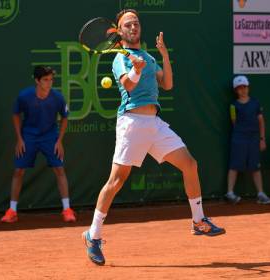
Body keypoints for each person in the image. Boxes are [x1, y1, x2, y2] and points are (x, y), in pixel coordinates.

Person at [81, 9, 225, 266]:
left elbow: (167, 84)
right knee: (116, 181)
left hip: (154, 124)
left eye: (136, 23)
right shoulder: (119, 59)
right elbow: (128, 85)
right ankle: (93, 235)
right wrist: (135, 70)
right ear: (119, 31)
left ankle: (198, 220)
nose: (134, 27)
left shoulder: (147, 56)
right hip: (132, 123)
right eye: (128, 24)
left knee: (190, 164)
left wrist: (165, 56)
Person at [0, 66, 76, 223]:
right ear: (37, 80)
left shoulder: (58, 98)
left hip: (50, 137)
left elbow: (65, 117)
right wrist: (20, 139)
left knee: (59, 169)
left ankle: (67, 209)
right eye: (45, 80)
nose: (49, 83)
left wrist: (59, 141)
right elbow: (15, 114)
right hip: (29, 136)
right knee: (19, 171)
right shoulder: (24, 96)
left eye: (51, 80)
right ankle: (12, 211)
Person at [225, 75, 270, 205]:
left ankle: (261, 194)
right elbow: (234, 122)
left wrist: (262, 139)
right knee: (234, 165)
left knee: (256, 167)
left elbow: (261, 121)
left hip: (254, 139)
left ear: (248, 87)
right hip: (238, 138)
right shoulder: (233, 106)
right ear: (236, 90)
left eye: (244, 87)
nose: (243, 90)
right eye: (240, 88)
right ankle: (230, 193)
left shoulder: (255, 103)